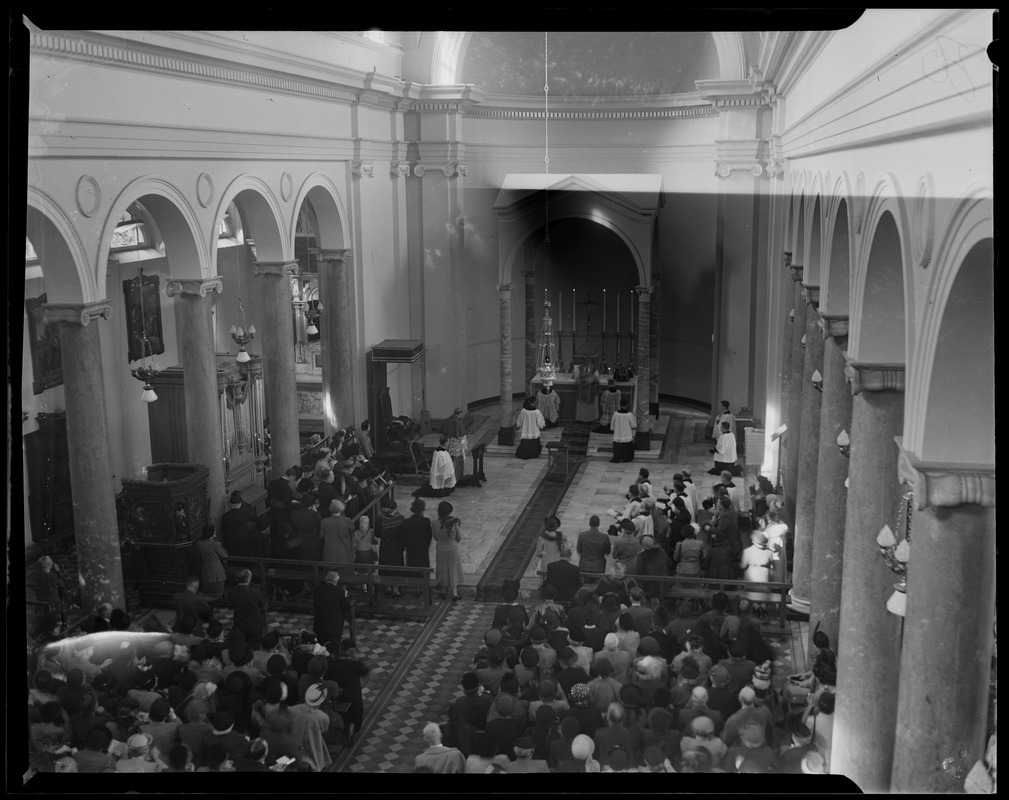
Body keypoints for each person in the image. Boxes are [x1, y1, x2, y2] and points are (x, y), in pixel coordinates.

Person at [289, 683, 332, 772]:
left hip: (295, 746)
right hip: (314, 745)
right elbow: (324, 730)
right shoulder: (323, 717)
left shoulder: (293, 709)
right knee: (316, 763)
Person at [226, 569, 267, 651]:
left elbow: (231, 604)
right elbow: (263, 605)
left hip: (239, 623)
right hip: (254, 626)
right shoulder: (255, 592)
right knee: (254, 646)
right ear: (248, 579)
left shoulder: (231, 591)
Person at [433, 501, 465, 601]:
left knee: (442, 569)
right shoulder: (454, 522)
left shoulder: (434, 523)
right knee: (453, 569)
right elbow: (459, 537)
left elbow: (435, 537)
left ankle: (443, 590)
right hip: (452, 548)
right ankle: (454, 593)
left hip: (441, 548)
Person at [313, 570, 353, 650]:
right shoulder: (339, 591)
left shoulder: (317, 589)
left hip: (319, 624)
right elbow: (344, 607)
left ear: (326, 579)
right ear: (336, 580)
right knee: (334, 649)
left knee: (321, 649)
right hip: (334, 626)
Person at [401, 498, 434, 595]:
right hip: (422, 550)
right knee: (423, 568)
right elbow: (429, 536)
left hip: (411, 550)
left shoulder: (406, 522)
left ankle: (416, 589)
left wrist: (407, 546)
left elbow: (403, 537)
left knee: (413, 568)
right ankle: (422, 588)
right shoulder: (426, 521)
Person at [190, 524, 229, 602]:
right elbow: (225, 556)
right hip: (217, 574)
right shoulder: (216, 544)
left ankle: (205, 608)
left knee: (207, 594)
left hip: (205, 574)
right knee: (217, 596)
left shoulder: (199, 543)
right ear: (213, 532)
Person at [321, 499, 355, 579]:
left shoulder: (324, 521)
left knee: (330, 577)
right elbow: (352, 529)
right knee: (345, 576)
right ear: (341, 509)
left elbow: (322, 536)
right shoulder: (347, 521)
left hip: (329, 554)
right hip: (344, 554)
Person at [220, 491, 254, 558]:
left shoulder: (225, 516)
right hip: (242, 542)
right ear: (240, 504)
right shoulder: (244, 514)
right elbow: (254, 517)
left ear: (230, 504)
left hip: (230, 543)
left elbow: (224, 529)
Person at [440, 408, 469, 483]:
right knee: (457, 461)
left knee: (449, 461)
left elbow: (444, 432)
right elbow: (460, 436)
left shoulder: (448, 419)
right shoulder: (457, 422)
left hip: (448, 444)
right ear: (460, 414)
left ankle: (448, 477)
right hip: (456, 445)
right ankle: (456, 477)